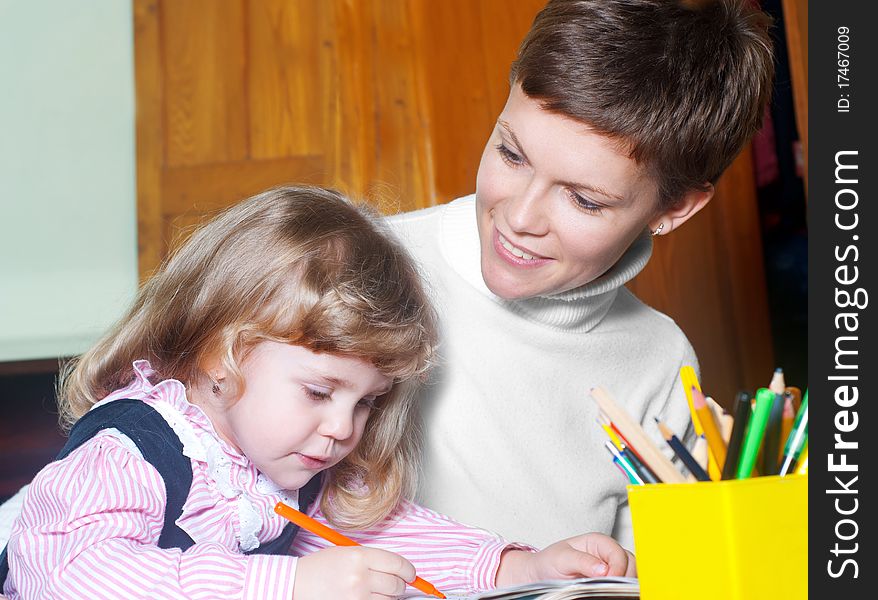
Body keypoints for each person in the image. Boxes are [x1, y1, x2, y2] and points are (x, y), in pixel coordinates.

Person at [1, 186, 633, 599]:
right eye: (319, 390)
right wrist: (288, 585)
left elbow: (381, 537)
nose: (343, 427)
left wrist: (519, 569)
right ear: (225, 351)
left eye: (365, 401)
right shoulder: (130, 451)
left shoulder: (281, 466)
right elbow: (63, 574)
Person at [386, 0, 774, 551]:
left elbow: (644, 575)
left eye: (584, 199)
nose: (519, 218)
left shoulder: (661, 364)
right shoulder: (358, 262)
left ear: (676, 209)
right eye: (511, 154)